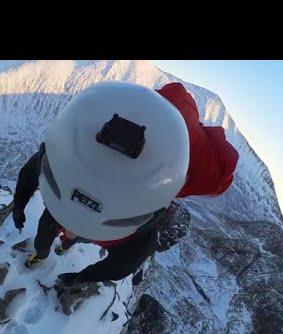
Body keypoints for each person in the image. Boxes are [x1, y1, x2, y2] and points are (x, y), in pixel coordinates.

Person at [12, 81, 239, 287]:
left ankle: (56, 247)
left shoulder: (205, 169)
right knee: (62, 224)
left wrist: (20, 203)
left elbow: (127, 260)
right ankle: (56, 247)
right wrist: (81, 278)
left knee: (60, 224)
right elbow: (123, 263)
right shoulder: (83, 131)